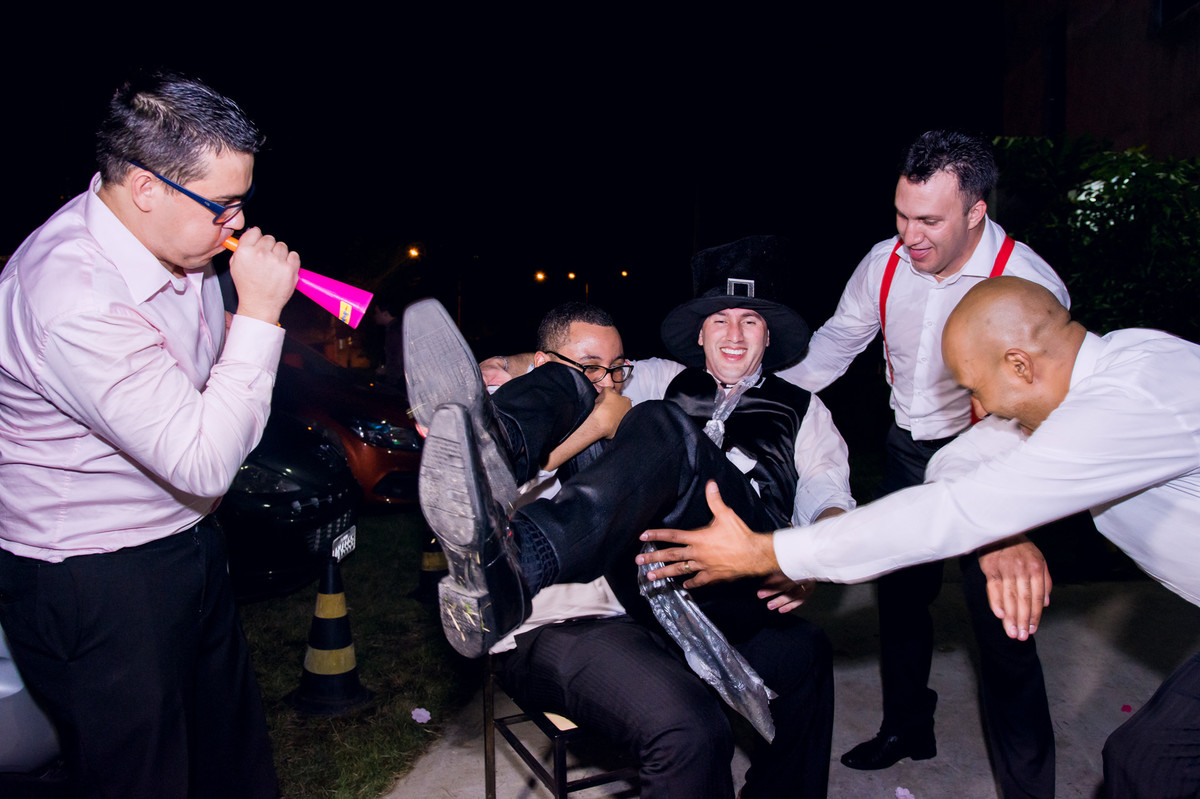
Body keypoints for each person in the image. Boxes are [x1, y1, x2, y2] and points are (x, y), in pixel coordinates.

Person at [641, 275, 1200, 798]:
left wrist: (772, 551)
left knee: (1147, 762)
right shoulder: (1116, 360)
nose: (979, 410)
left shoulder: (1125, 405)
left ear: (1020, 365)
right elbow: (961, 459)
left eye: (975, 390)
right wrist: (1002, 531)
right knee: (1142, 761)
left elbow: (948, 511)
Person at [406, 236, 850, 798]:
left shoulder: (804, 409)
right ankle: (494, 441)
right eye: (720, 320)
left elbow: (830, 499)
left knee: (667, 430)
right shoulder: (660, 377)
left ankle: (524, 557)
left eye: (751, 322)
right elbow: (585, 370)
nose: (734, 335)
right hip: (654, 581)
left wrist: (805, 560)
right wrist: (505, 368)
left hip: (741, 564)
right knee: (616, 400)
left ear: (770, 334)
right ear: (699, 332)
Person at [0, 72, 300, 799]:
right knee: (142, 778)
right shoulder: (71, 292)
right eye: (222, 205)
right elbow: (199, 457)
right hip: (95, 576)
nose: (235, 224)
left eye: (241, 203)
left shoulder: (180, 245)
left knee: (231, 764)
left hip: (184, 542)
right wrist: (258, 314)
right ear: (145, 188)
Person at [771, 129, 1069, 793]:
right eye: (901, 215)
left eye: (929, 220)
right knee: (902, 598)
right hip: (908, 448)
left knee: (1002, 627)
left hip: (996, 453)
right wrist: (764, 399)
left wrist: (1010, 526)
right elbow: (832, 348)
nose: (910, 236)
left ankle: (1029, 786)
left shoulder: (1029, 286)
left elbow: (1037, 415)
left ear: (976, 210)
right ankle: (910, 724)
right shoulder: (884, 263)